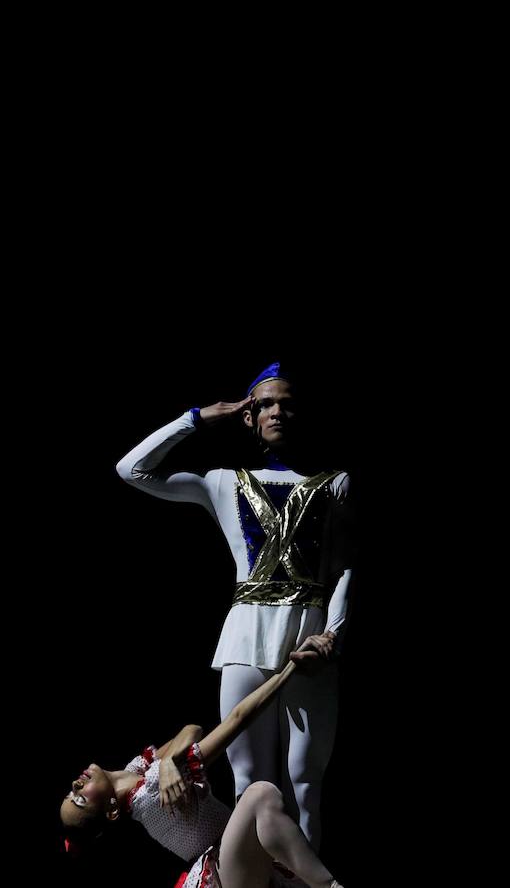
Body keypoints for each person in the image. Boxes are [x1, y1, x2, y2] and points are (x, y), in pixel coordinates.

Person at [115, 362, 354, 851]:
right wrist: (200, 418)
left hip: (309, 632)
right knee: (251, 781)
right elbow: (132, 469)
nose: (277, 411)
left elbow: (346, 566)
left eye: (287, 402)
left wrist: (331, 635)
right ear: (249, 415)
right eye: (265, 403)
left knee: (304, 781)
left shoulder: (335, 483)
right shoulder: (224, 481)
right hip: (246, 633)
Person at [59, 631, 348, 888]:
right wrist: (291, 668)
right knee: (260, 795)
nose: (76, 784)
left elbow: (192, 730)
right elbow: (237, 718)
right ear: (111, 811)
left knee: (263, 804)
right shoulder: (149, 792)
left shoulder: (142, 769)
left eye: (71, 792)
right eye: (80, 798)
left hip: (235, 861)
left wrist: (171, 761)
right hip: (224, 873)